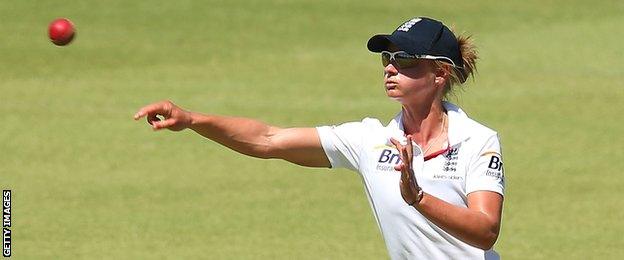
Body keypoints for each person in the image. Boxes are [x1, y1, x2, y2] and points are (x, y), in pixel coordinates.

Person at [134, 17, 505, 260]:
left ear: (440, 73)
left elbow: (485, 231)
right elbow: (268, 139)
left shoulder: (478, 141)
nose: (391, 67)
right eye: (387, 58)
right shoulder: (370, 140)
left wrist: (419, 198)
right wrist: (193, 119)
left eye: (406, 60)